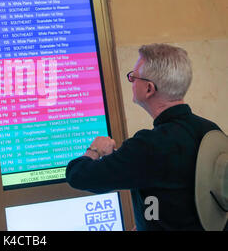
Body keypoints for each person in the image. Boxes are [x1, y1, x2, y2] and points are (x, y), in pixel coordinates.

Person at [66, 43, 221, 231]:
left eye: (134, 77)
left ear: (149, 89)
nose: (131, 81)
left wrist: (94, 150)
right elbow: (173, 197)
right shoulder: (211, 131)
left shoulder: (149, 146)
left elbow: (79, 176)